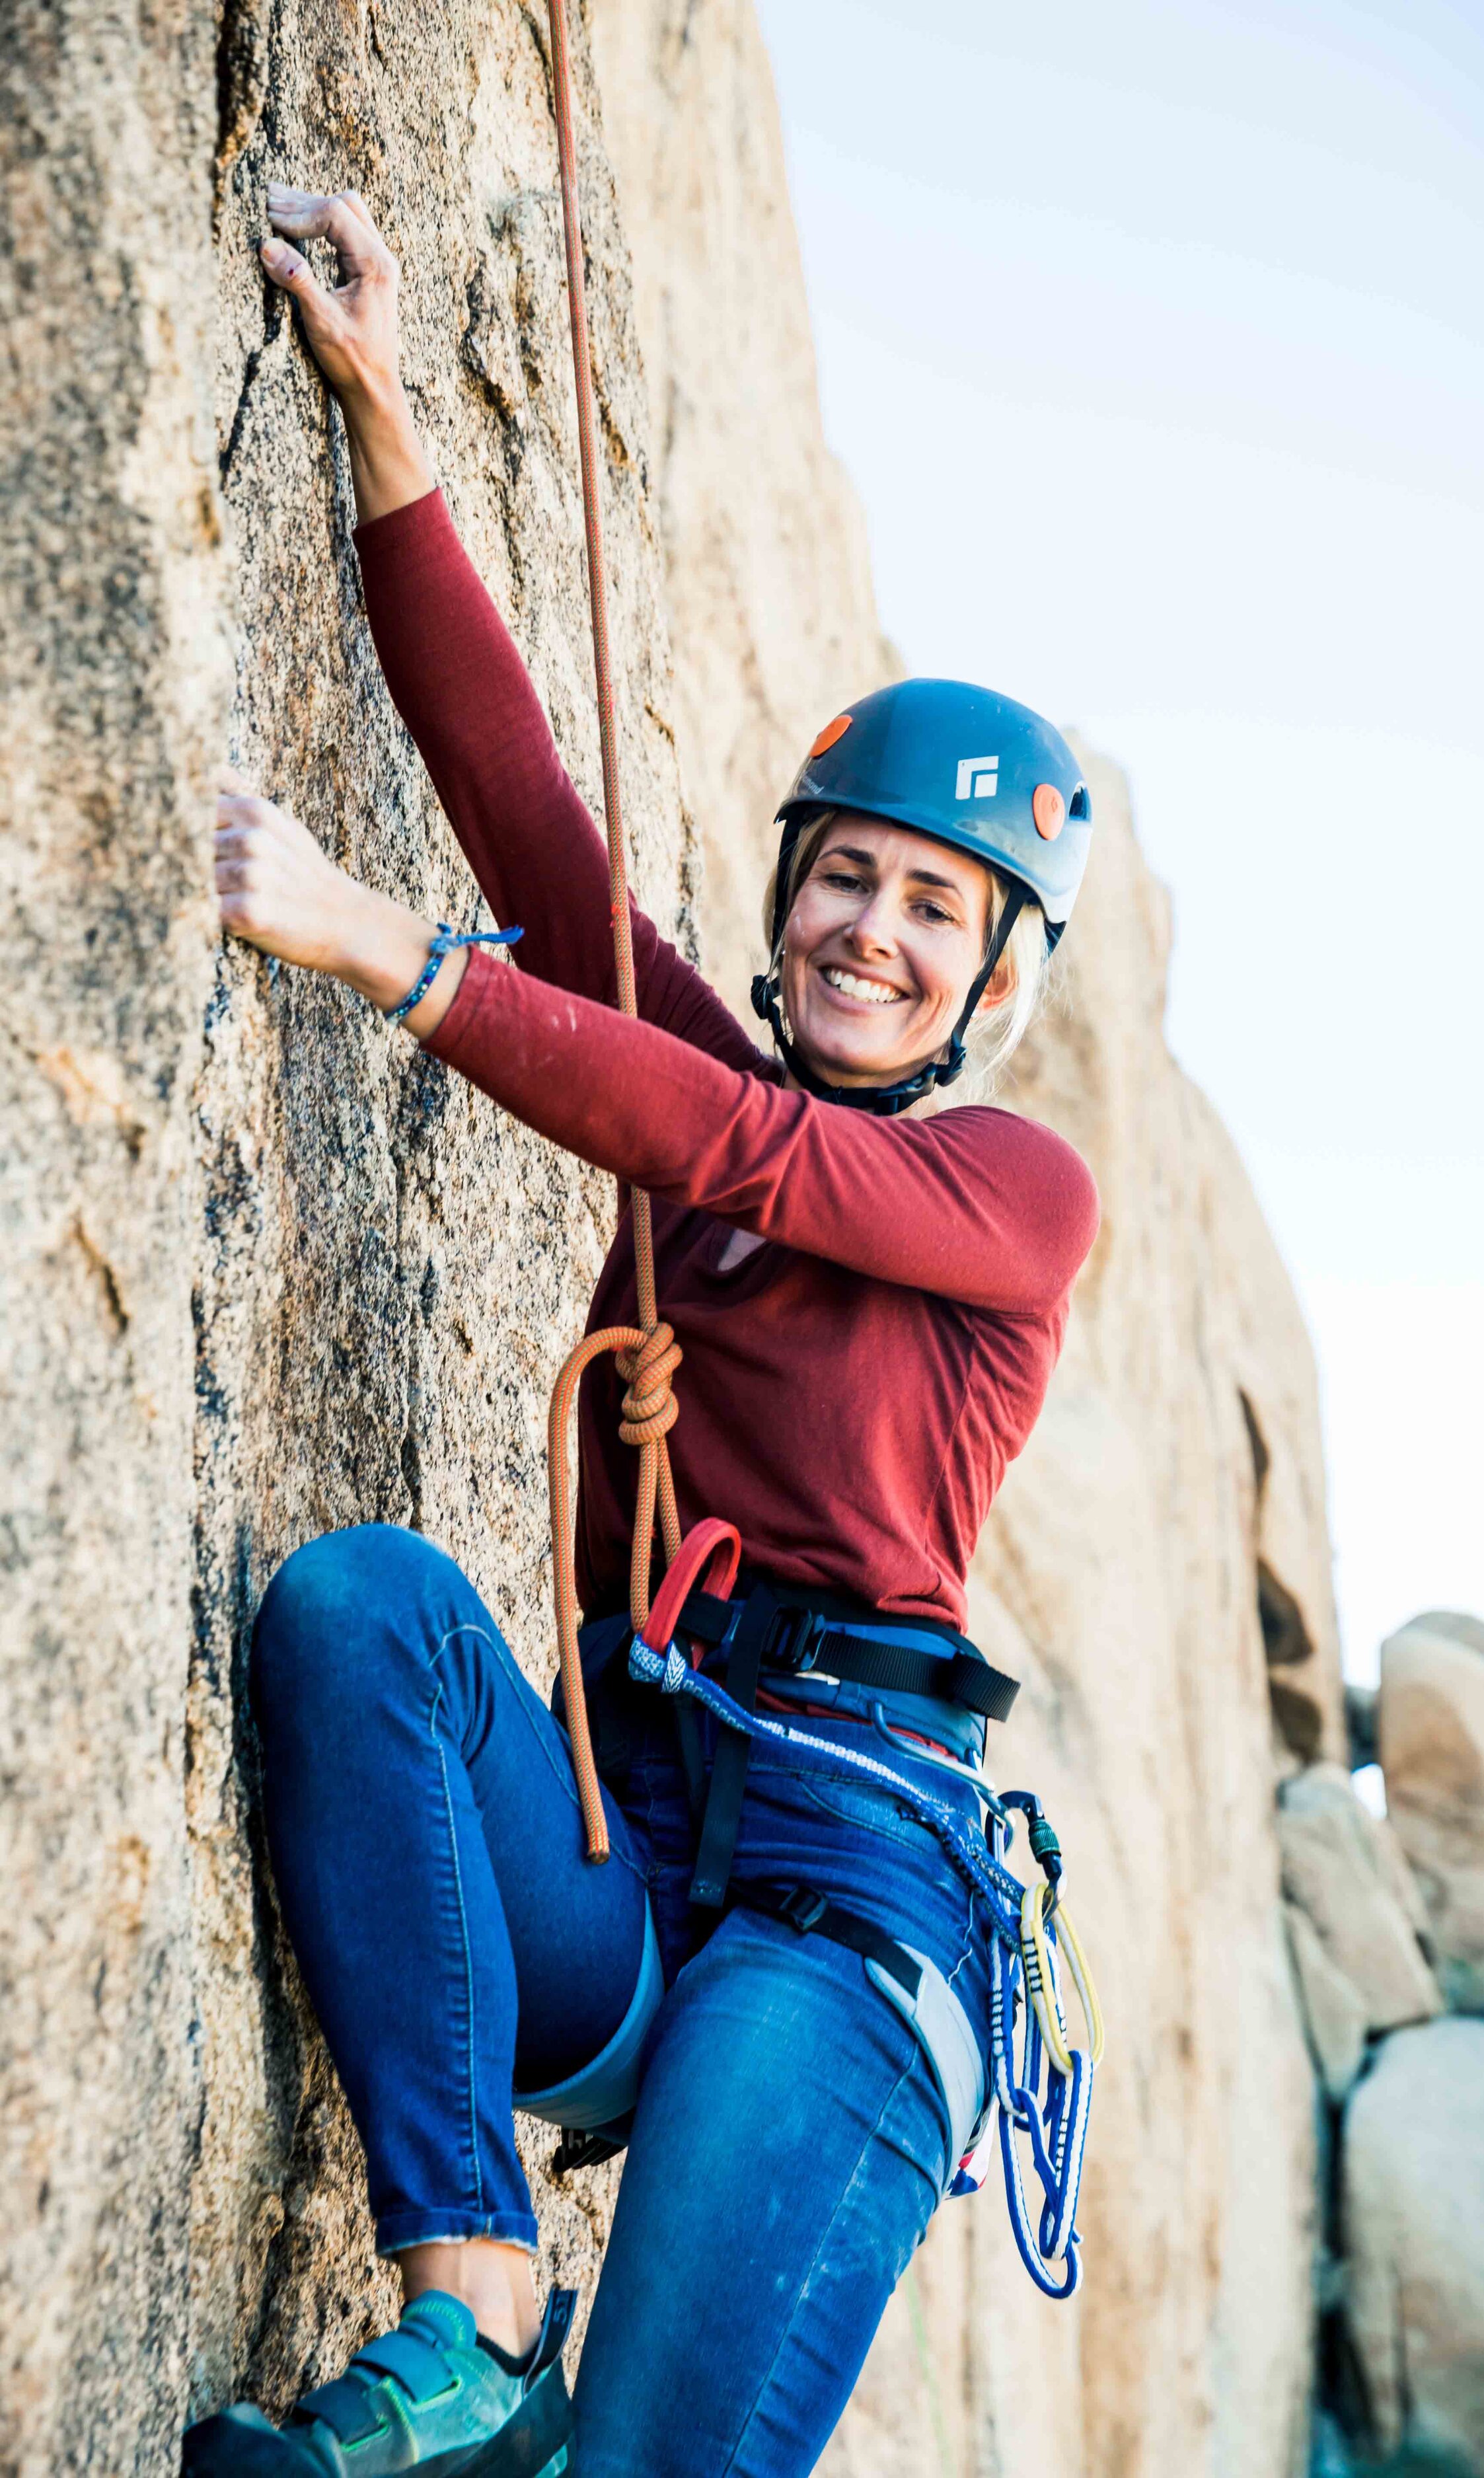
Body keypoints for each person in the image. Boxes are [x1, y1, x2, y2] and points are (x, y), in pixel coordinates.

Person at [184, 187, 1101, 2478]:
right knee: (360, 1613)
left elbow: (749, 1156)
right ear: (790, 891)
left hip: (845, 1902)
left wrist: (402, 963)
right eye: (845, 873)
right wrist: (384, 407)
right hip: (643, 1843)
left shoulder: (1009, 1198)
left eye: (934, 908)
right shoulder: (705, 1074)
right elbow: (519, 801)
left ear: (991, 984)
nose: (869, 930)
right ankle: (475, 2300)